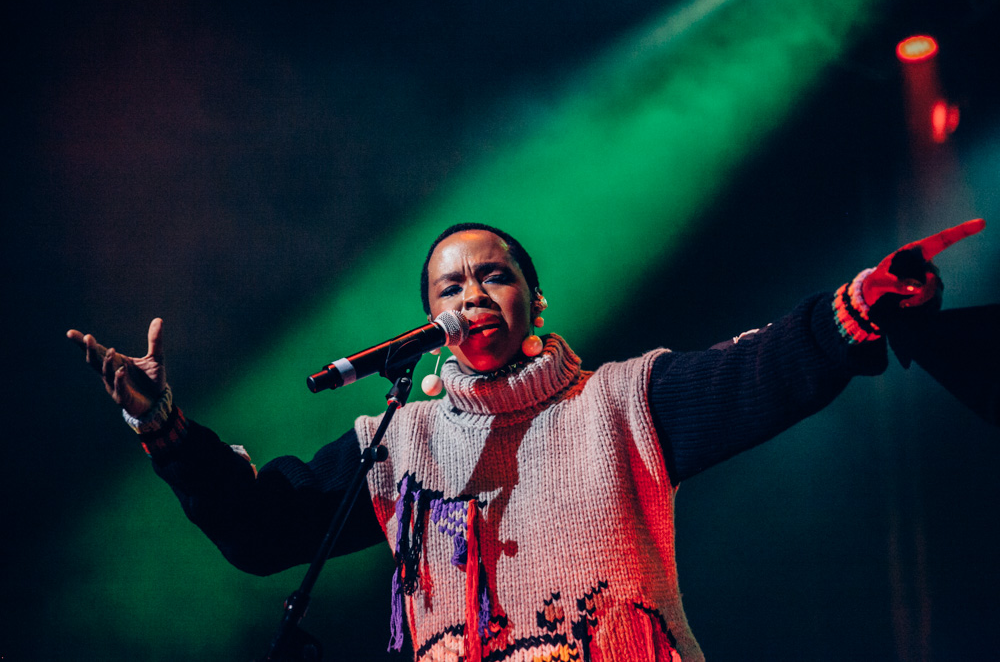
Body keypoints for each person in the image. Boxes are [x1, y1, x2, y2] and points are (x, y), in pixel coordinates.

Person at [67, 219, 985, 662]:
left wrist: (854, 306)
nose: (473, 294)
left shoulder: (621, 402)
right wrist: (163, 427)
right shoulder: (398, 439)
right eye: (450, 287)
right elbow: (264, 529)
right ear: (429, 322)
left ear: (533, 301)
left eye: (495, 276)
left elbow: (757, 372)